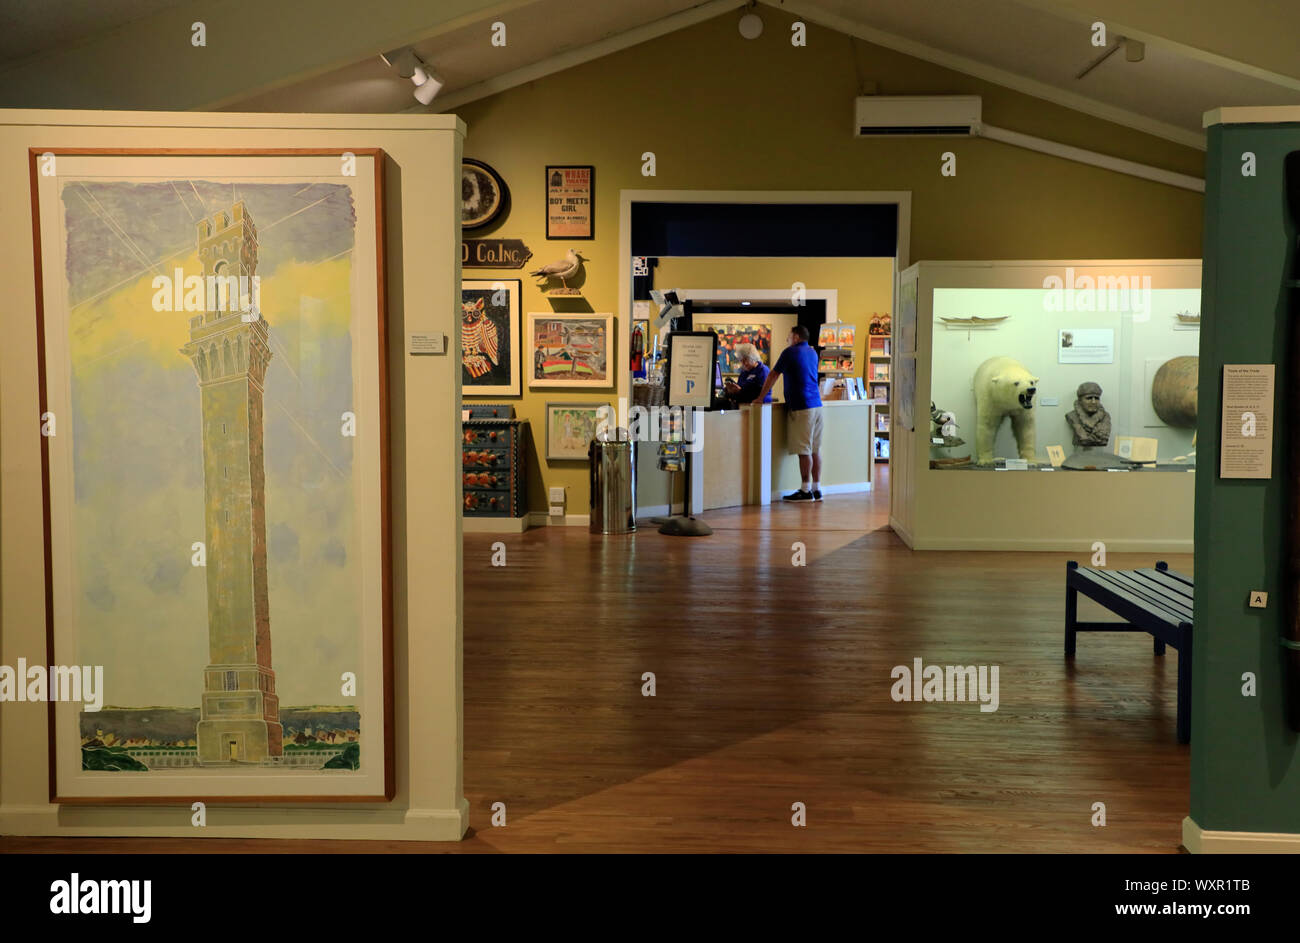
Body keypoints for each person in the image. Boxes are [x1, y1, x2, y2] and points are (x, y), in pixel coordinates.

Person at [758, 325, 823, 501]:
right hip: (817, 405)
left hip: (802, 406)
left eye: (788, 336)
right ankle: (817, 489)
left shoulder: (790, 352)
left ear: (795, 337)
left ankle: (805, 490)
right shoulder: (812, 352)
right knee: (815, 449)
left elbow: (773, 375)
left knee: (804, 450)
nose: (787, 339)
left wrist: (760, 398)